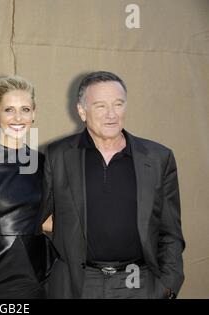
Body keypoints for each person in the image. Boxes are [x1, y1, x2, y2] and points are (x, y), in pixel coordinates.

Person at [42, 71, 185, 299]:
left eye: (118, 104)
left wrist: (167, 286)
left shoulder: (159, 158)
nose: (111, 114)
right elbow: (31, 217)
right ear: (82, 111)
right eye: (100, 106)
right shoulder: (57, 155)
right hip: (78, 284)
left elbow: (171, 232)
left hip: (138, 281)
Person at [0, 75, 57, 299]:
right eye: (9, 109)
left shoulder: (43, 163)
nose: (18, 117)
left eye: (25, 109)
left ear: (34, 113)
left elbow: (42, 220)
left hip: (33, 274)